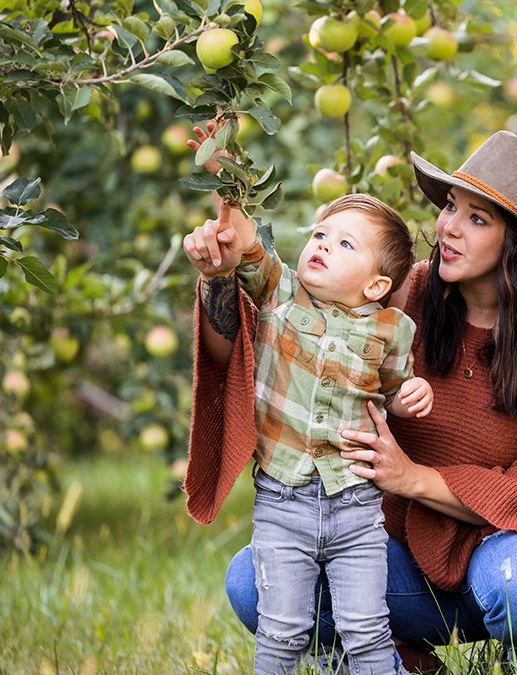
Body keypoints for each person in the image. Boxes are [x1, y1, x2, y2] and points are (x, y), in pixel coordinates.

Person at [191, 131, 517, 668]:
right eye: (452, 207)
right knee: (255, 583)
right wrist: (220, 271)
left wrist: (410, 477)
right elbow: (281, 336)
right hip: (409, 560)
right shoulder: (404, 292)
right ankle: (402, 658)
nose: (449, 228)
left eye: (478, 219)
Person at [183, 190, 433, 674]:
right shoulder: (281, 293)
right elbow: (249, 247)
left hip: (357, 509)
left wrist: (412, 394)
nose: (321, 245)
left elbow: (394, 393)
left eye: (344, 244)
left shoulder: (394, 330)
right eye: (320, 234)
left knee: (366, 630)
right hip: (282, 502)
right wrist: (231, 189)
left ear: (378, 285)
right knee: (281, 630)